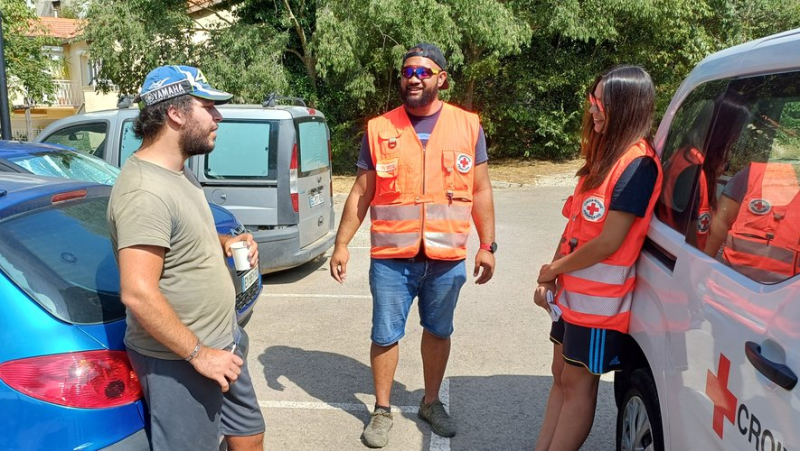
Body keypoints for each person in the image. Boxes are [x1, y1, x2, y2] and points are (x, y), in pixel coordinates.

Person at [329, 43, 496, 448]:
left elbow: (481, 190)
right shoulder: (379, 128)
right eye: (407, 72)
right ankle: (382, 410)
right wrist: (341, 243)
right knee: (385, 334)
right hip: (392, 259)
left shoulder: (467, 126)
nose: (414, 78)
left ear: (442, 78)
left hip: (446, 258)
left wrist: (488, 245)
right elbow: (360, 192)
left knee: (438, 331)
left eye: (423, 72)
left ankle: (431, 401)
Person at [107, 65, 265, 451]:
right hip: (181, 359)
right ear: (175, 114)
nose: (218, 117)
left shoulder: (178, 173)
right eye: (208, 107)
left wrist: (223, 240)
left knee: (249, 433)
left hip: (223, 344)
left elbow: (178, 233)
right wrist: (199, 354)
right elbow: (138, 293)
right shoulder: (143, 192)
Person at [532, 65, 662, 450]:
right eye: (593, 101)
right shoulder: (606, 157)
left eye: (600, 102)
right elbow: (575, 224)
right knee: (561, 376)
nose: (593, 110)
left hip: (599, 307)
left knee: (577, 385)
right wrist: (551, 277)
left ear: (626, 106)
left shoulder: (639, 164)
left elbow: (609, 242)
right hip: (572, 296)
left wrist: (554, 269)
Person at [704, 161, 800, 282]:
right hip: (727, 290)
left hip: (783, 298)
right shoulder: (752, 175)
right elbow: (719, 223)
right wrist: (700, 270)